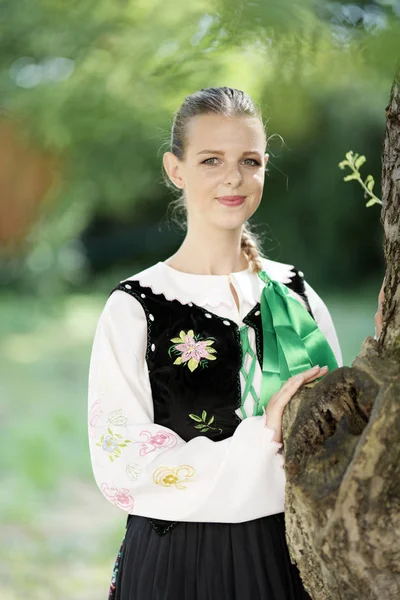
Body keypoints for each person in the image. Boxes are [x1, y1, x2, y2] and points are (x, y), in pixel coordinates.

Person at [87, 86, 385, 600]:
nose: (233, 178)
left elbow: (342, 420)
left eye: (249, 160)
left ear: (265, 167)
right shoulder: (136, 307)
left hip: (292, 554)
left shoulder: (296, 292)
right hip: (180, 561)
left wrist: (384, 349)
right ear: (175, 170)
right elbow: (124, 466)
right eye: (211, 160)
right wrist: (262, 434)